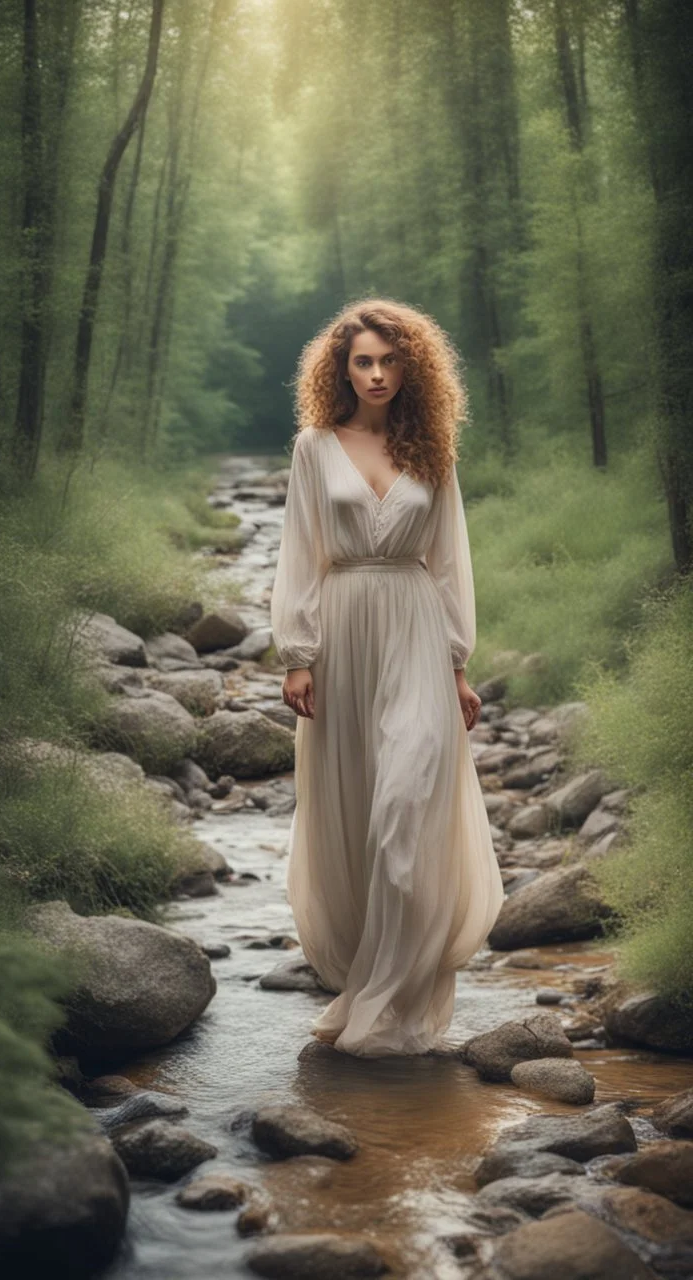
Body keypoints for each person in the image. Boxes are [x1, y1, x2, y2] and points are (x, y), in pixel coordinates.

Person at [269, 297, 505, 1057]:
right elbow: (302, 554)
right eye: (361, 361)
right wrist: (297, 654)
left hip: (413, 632)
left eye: (388, 360)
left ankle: (394, 1005)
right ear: (341, 370)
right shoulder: (314, 446)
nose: (374, 373)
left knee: (407, 808)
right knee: (355, 815)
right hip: (342, 636)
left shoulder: (433, 449)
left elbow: (447, 562)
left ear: (412, 367)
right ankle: (362, 983)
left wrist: (459, 666)